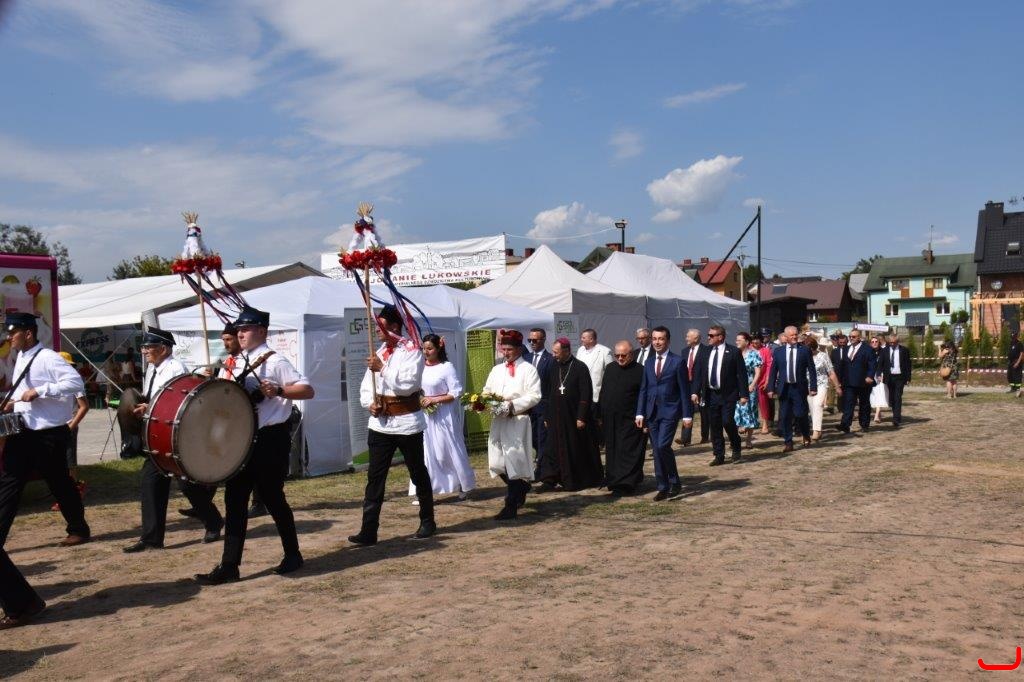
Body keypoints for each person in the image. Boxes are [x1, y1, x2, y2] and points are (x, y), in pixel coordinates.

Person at [195, 307, 314, 584]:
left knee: (273, 498)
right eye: (238, 329)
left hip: (270, 439)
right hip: (241, 439)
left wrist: (280, 390)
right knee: (234, 501)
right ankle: (229, 566)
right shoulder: (236, 362)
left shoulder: (275, 361)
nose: (240, 334)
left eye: (245, 329)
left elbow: (307, 390)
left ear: (261, 331)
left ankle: (293, 554)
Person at [123, 328, 224, 553]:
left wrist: (150, 407)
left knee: (188, 484)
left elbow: (178, 402)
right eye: (143, 347)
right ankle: (151, 539)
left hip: (179, 435)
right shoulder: (153, 368)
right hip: (158, 434)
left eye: (148, 347)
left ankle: (213, 521)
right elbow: (154, 397)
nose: (144, 351)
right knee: (151, 483)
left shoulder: (176, 368)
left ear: (163, 348)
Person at [0, 312, 90, 551]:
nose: (9, 337)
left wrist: (40, 390)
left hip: (47, 434)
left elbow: (75, 383)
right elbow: (26, 391)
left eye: (13, 332)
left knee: (59, 483)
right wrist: (14, 402)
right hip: (23, 430)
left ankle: (78, 529)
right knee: (9, 483)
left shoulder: (48, 357)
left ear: (28, 333)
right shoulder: (21, 356)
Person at [347, 305, 434, 545]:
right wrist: (370, 404)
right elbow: (367, 385)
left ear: (394, 326)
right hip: (380, 425)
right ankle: (369, 530)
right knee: (375, 477)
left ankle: (428, 520)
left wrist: (382, 369)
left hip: (407, 423)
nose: (376, 330)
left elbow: (408, 385)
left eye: (381, 326)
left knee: (417, 472)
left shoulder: (412, 351)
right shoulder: (380, 351)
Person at [480, 329, 541, 520]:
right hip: (499, 420)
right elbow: (487, 390)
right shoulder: (497, 369)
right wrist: (483, 401)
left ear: (519, 349)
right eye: (503, 349)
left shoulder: (528, 369)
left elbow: (534, 396)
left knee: (513, 460)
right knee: (497, 461)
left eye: (509, 349)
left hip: (517, 420)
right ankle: (521, 486)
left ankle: (511, 505)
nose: (505, 353)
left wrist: (512, 405)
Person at [409, 334, 475, 502]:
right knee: (425, 453)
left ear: (439, 348)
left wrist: (435, 400)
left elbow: (456, 392)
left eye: (430, 348)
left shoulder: (446, 367)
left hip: (444, 416)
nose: (426, 352)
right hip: (424, 416)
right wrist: (419, 399)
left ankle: (463, 484)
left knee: (446, 451)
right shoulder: (419, 367)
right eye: (424, 348)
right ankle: (424, 491)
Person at [537, 337, 602, 492]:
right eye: (553, 352)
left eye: (557, 352)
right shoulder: (553, 366)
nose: (554, 355)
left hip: (573, 416)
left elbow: (586, 393)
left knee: (573, 448)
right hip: (555, 416)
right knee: (551, 448)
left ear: (566, 351)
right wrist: (546, 415)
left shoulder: (580, 367)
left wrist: (581, 416)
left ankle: (573, 479)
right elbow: (547, 392)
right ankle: (549, 479)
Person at [636, 326, 692, 499]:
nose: (657, 342)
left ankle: (674, 481)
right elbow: (644, 389)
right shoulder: (649, 362)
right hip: (651, 412)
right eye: (654, 339)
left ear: (667, 340)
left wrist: (687, 415)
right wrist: (640, 413)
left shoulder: (678, 361)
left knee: (662, 446)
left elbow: (684, 390)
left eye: (660, 339)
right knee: (657, 450)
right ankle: (663, 486)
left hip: (670, 411)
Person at [697, 324, 750, 464]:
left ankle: (736, 445)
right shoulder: (705, 351)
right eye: (708, 335)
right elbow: (699, 373)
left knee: (727, 421)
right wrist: (695, 392)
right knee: (714, 425)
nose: (708, 338)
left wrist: (744, 394)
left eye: (711, 335)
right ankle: (719, 454)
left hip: (728, 394)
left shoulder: (733, 351)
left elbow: (741, 374)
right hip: (711, 394)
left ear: (720, 337)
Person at [601, 341, 645, 497]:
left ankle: (627, 483)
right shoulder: (610, 368)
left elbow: (644, 395)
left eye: (623, 355)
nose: (620, 358)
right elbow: (604, 391)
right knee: (613, 450)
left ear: (631, 354)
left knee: (628, 451)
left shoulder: (640, 371)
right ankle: (613, 480)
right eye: (617, 355)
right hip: (611, 419)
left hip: (630, 419)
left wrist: (642, 415)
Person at [768, 325, 816, 452]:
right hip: (784, 388)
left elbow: (811, 370)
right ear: (785, 337)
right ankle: (788, 442)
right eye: (792, 335)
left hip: (799, 388)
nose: (794, 337)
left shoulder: (804, 350)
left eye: (796, 334)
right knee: (785, 416)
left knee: (800, 414)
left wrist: (813, 387)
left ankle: (806, 434)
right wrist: (771, 388)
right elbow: (773, 371)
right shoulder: (778, 351)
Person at [51, 352, 88, 512]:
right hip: (54, 426)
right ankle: (65, 494)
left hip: (68, 426)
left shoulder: (74, 381)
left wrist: (71, 426)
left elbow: (84, 407)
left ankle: (74, 492)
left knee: (69, 461)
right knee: (57, 462)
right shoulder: (53, 381)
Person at [576, 328, 612, 443]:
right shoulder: (580, 350)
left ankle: (600, 441)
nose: (581, 339)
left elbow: (610, 373)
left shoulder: (605, 351)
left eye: (583, 337)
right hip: (581, 391)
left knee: (596, 420)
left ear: (591, 339)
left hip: (597, 392)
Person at [523, 328, 554, 460]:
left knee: (542, 438)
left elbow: (552, 385)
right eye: (530, 340)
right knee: (532, 438)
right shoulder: (525, 358)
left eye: (535, 340)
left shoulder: (551, 359)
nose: (532, 343)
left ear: (543, 339)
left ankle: (542, 466)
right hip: (527, 407)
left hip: (543, 406)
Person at [836, 328, 876, 432]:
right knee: (848, 403)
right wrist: (839, 380)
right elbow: (842, 366)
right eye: (850, 336)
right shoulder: (846, 349)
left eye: (853, 336)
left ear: (859, 337)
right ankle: (845, 425)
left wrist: (870, 376)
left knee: (864, 404)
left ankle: (864, 424)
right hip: (849, 382)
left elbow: (872, 364)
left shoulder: (868, 349)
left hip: (863, 381)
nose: (851, 338)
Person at [678, 328, 710, 446]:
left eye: (688, 336)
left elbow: (705, 371)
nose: (686, 338)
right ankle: (685, 439)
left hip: (702, 385)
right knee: (687, 410)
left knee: (704, 412)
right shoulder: (684, 351)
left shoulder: (706, 350)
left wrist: (698, 389)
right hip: (687, 385)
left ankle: (705, 436)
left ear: (695, 338)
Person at [804, 337, 840, 441]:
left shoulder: (823, 356)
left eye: (810, 349)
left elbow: (831, 372)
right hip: (808, 385)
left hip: (821, 384)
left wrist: (837, 386)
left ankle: (816, 430)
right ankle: (817, 430)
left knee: (818, 404)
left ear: (814, 347)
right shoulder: (804, 357)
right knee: (812, 407)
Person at [734, 332, 763, 448]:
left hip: (749, 387)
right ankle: (736, 438)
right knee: (736, 410)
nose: (737, 342)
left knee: (750, 411)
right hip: (736, 387)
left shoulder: (754, 354)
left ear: (746, 342)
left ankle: (749, 439)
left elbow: (758, 372)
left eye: (739, 340)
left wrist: (753, 385)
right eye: (736, 340)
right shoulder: (734, 354)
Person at [881, 332, 911, 428]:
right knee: (892, 398)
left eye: (894, 342)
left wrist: (908, 378)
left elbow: (908, 365)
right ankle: (895, 414)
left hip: (900, 377)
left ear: (898, 341)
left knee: (898, 397)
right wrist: (878, 374)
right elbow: (881, 363)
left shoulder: (904, 350)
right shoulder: (885, 350)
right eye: (890, 342)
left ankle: (896, 418)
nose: (892, 344)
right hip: (889, 377)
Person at [752, 334, 774, 434]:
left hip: (762, 380)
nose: (755, 342)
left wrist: (767, 380)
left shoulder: (766, 350)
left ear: (761, 341)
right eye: (753, 340)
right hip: (750, 380)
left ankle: (765, 423)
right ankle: (750, 423)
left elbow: (769, 365)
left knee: (763, 403)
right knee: (749, 402)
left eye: (757, 340)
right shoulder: (749, 349)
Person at [869, 335, 889, 424]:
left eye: (876, 341)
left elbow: (886, 364)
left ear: (879, 342)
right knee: (873, 395)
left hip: (880, 375)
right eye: (872, 342)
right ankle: (878, 413)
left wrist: (882, 374)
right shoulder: (869, 352)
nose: (874, 343)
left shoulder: (883, 351)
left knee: (880, 393)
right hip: (871, 375)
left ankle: (877, 415)